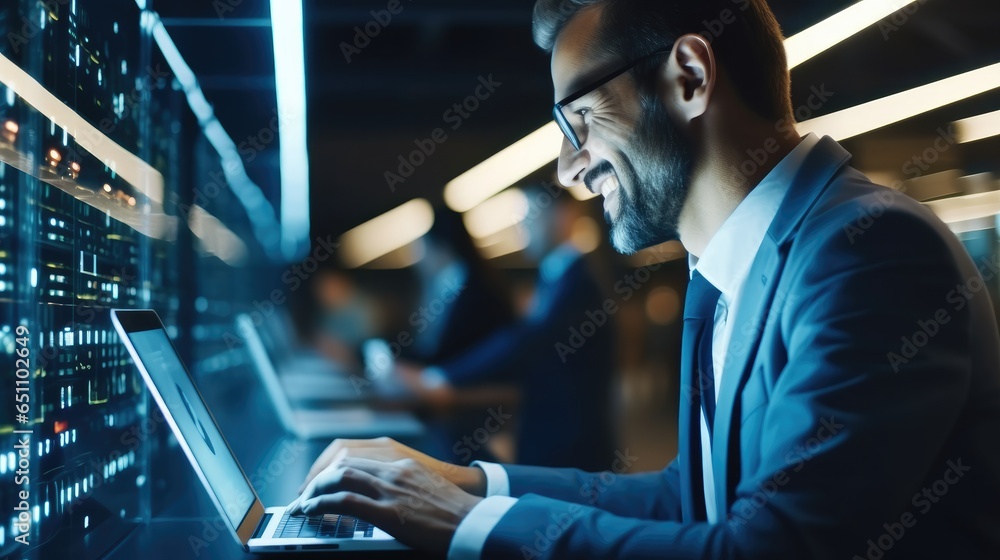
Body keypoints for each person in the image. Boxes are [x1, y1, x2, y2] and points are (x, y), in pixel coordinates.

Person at [289, 1, 1000, 558]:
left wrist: (469, 522)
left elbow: (778, 546)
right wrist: (471, 483)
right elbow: (691, 500)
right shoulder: (721, 273)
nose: (570, 169)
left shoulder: (869, 252)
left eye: (581, 123)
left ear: (689, 77)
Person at [397, 187, 618, 471]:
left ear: (564, 215)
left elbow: (526, 340)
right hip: (554, 439)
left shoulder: (579, 281)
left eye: (530, 214)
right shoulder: (557, 276)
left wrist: (441, 378)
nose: (521, 224)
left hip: (572, 447)